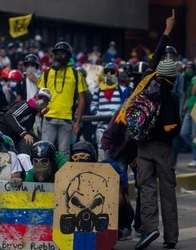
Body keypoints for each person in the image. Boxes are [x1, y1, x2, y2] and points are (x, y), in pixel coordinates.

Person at [101, 10, 176, 240]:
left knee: (146, 189)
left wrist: (167, 31)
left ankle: (147, 230)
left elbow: (154, 58)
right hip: (163, 149)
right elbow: (175, 128)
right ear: (173, 79)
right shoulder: (173, 97)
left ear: (155, 74)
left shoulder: (142, 88)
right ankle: (171, 238)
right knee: (167, 192)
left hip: (142, 147)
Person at [70, 141, 134, 242]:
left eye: (82, 155)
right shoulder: (69, 176)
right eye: (75, 157)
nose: (79, 160)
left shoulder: (107, 169)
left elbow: (122, 199)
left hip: (110, 212)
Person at [37, 41, 88, 159]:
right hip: (48, 118)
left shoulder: (76, 75)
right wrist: (38, 116)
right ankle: (47, 177)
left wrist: (77, 122)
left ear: (69, 56)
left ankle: (62, 177)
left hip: (67, 120)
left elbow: (82, 99)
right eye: (57, 53)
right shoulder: (47, 73)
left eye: (63, 53)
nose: (59, 56)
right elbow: (40, 97)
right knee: (45, 151)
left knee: (64, 153)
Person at [90, 62, 129, 159]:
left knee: (116, 155)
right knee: (102, 154)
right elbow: (93, 104)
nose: (109, 75)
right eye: (107, 72)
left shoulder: (122, 90)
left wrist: (117, 113)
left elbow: (126, 106)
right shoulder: (98, 90)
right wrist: (96, 113)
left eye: (112, 72)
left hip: (117, 130)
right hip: (101, 127)